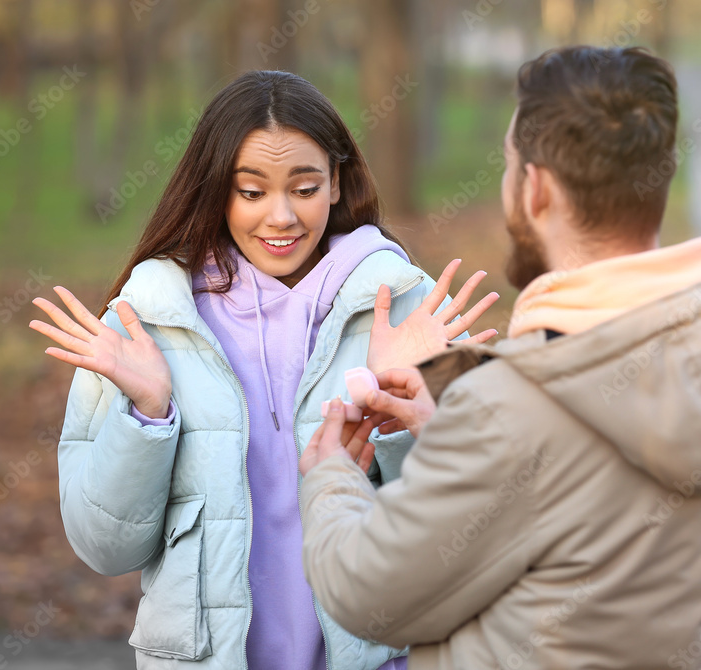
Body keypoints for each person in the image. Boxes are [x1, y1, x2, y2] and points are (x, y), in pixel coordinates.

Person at [298, 46, 701, 669]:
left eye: (510, 167)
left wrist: (332, 481)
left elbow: (370, 595)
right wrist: (462, 400)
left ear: (535, 189)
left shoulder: (509, 416)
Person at [29, 70, 499, 670]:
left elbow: (474, 532)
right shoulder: (143, 322)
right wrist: (148, 414)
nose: (280, 217)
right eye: (251, 192)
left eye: (303, 188)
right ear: (215, 190)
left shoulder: (411, 308)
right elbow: (104, 546)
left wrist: (406, 413)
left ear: (336, 183)